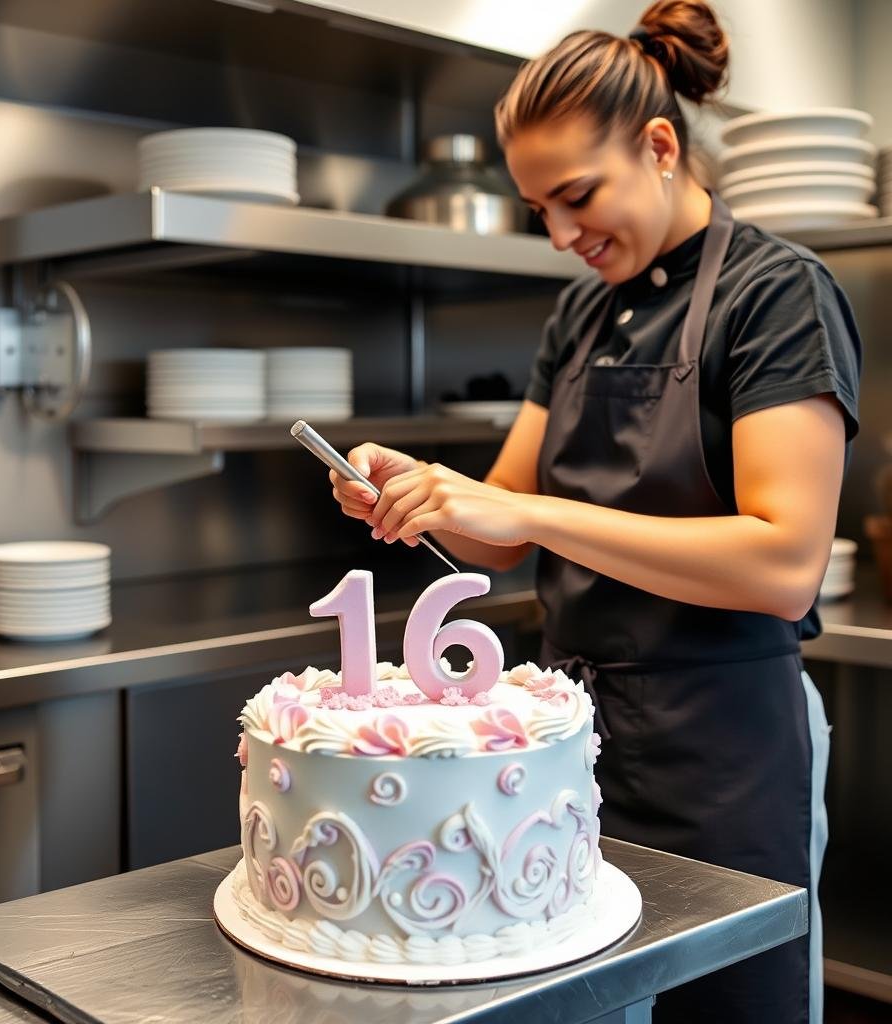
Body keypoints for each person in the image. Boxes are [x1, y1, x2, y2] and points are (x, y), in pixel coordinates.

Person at [329, 2, 862, 1021]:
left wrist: (530, 513)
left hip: (723, 744)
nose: (562, 234)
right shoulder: (579, 311)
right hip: (572, 739)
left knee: (729, 1002)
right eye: (538, 209)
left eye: (576, 195)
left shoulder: (775, 294)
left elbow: (780, 558)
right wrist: (424, 491)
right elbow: (497, 530)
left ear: (660, 146)